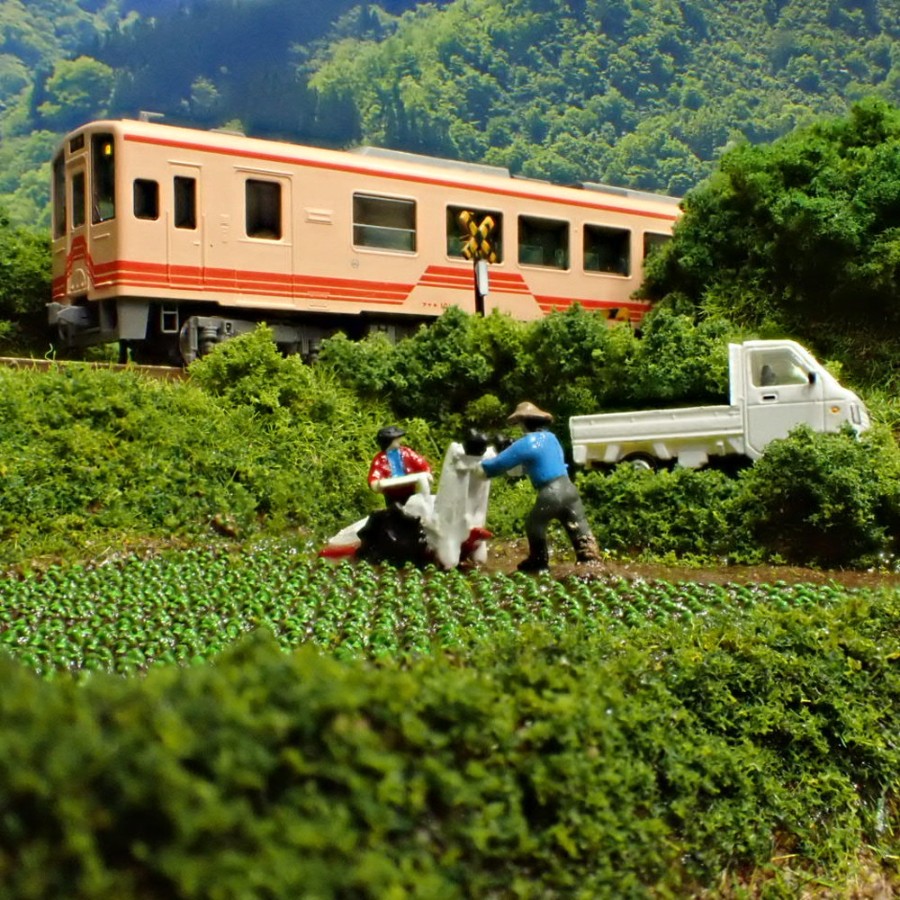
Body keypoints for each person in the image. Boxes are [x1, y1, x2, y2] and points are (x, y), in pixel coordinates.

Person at [480, 402, 601, 572]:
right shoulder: (552, 438)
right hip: (569, 488)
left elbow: (496, 466)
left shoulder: (526, 442)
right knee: (578, 524)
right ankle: (590, 559)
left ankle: (539, 560)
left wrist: (481, 463)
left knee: (534, 524)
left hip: (550, 491)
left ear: (523, 423)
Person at [368, 425, 432, 507]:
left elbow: (420, 463)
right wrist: (375, 483)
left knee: (413, 507)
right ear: (389, 441)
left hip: (409, 489)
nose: (400, 440)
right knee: (395, 510)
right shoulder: (380, 459)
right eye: (396, 438)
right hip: (392, 494)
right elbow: (375, 475)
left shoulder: (406, 452)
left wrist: (426, 472)